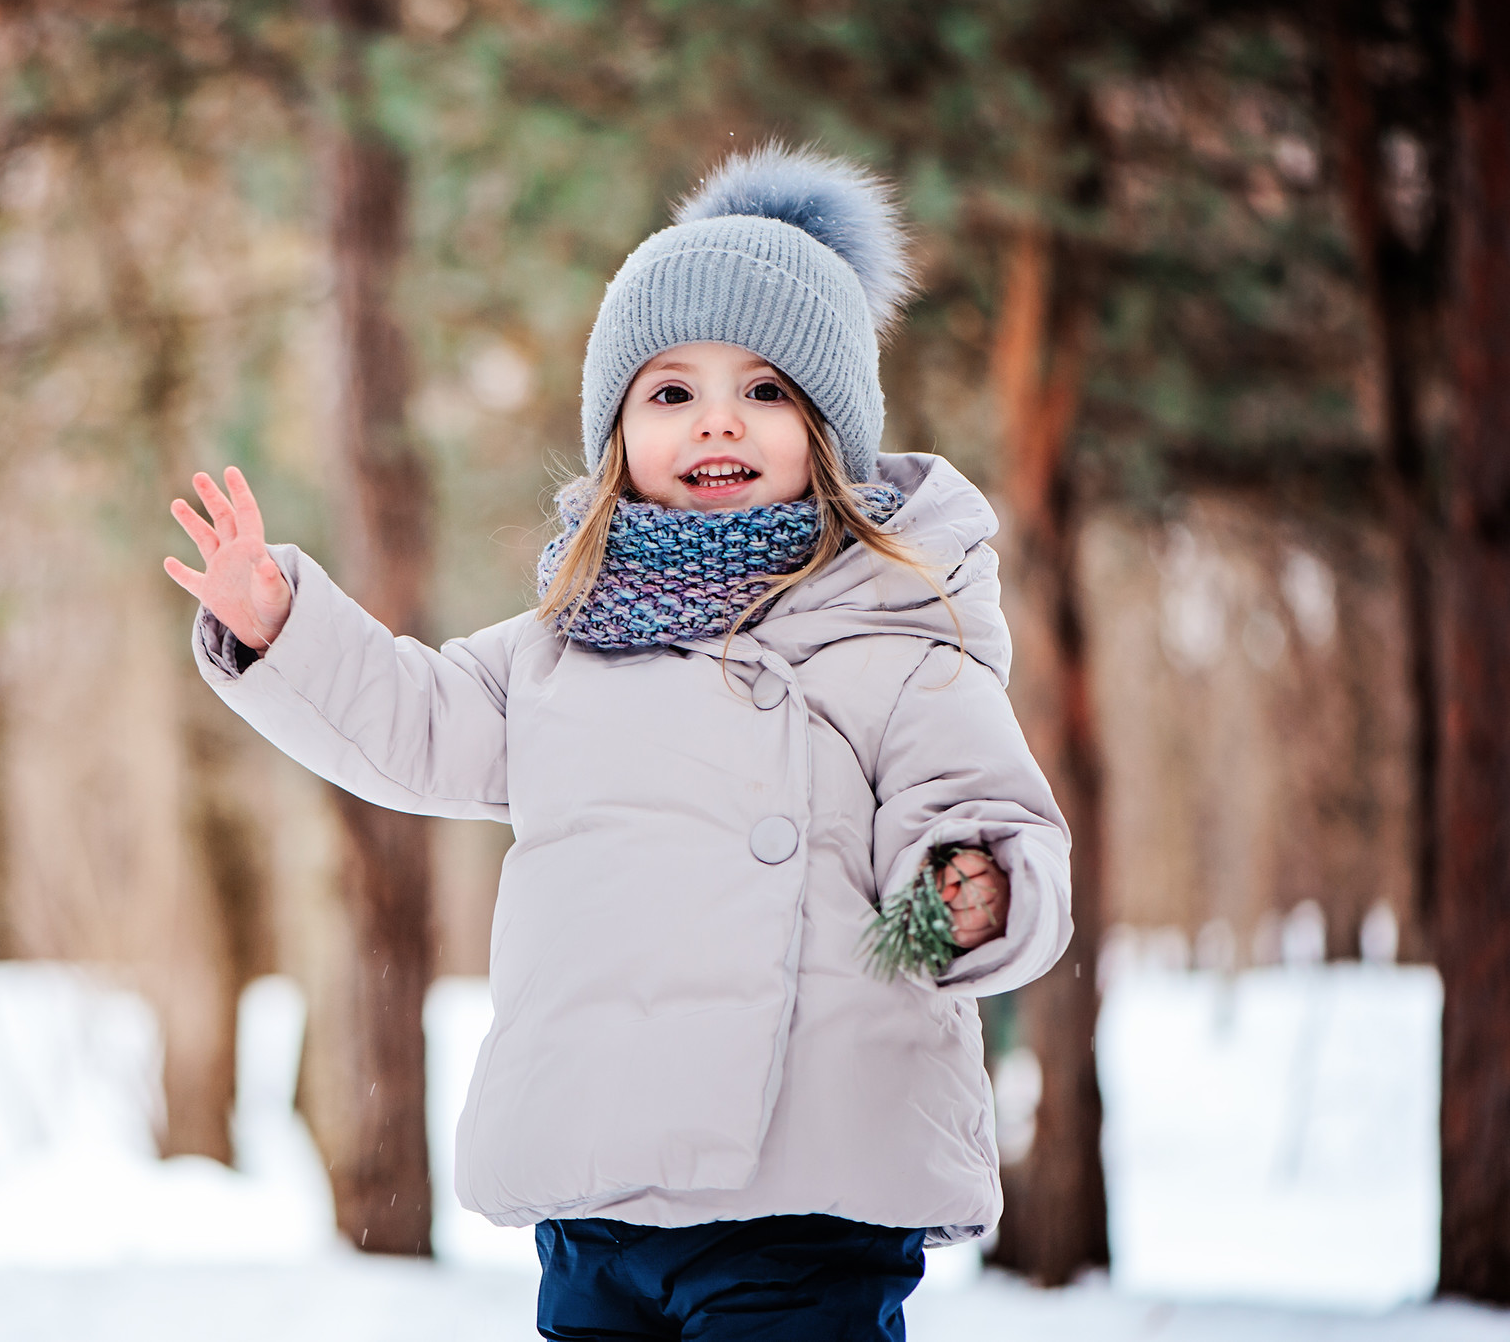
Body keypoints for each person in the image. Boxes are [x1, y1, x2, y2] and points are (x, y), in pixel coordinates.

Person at [164, 145, 1072, 1342]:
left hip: (803, 1201)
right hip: (598, 1198)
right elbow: (415, 723)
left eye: (764, 390)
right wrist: (284, 625)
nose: (717, 422)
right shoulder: (561, 650)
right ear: (618, 436)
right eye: (671, 391)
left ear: (829, 431)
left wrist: (975, 889)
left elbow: (987, 816)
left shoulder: (899, 641)